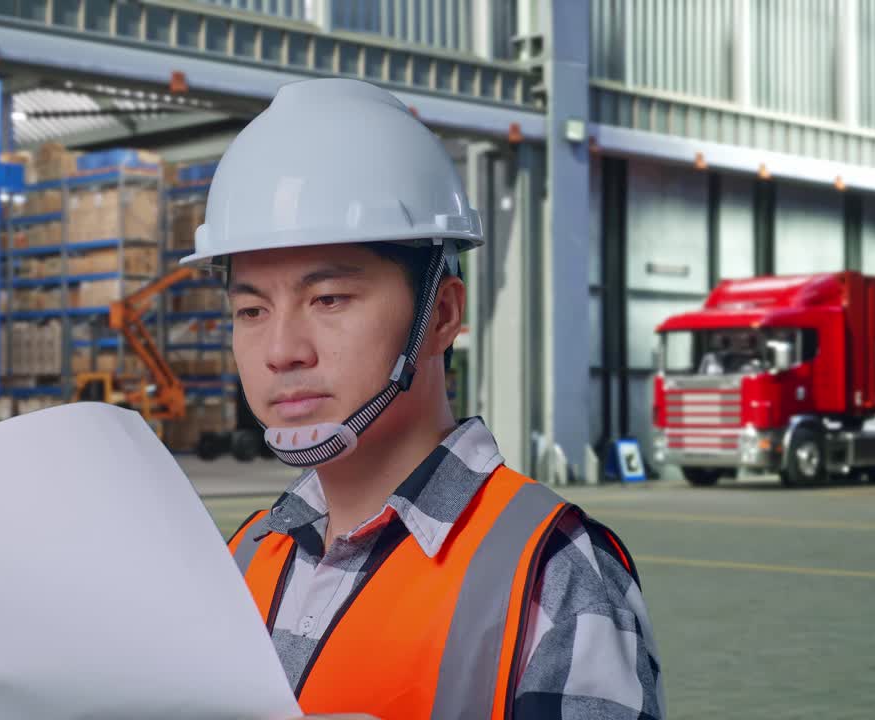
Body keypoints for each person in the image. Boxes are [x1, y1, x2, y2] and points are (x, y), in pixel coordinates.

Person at [182, 78, 664, 719]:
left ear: (440, 314)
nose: (282, 350)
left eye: (329, 299)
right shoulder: (245, 557)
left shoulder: (552, 575)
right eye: (251, 308)